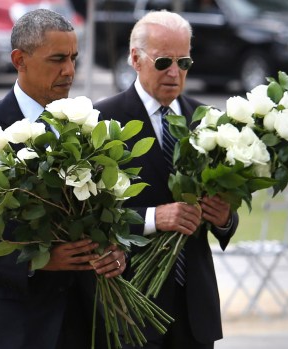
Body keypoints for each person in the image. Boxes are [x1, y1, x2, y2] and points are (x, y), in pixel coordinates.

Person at [0, 9, 126, 349]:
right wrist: (38, 262)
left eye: (73, 58)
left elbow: (104, 212)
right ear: (19, 60)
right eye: (57, 59)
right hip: (21, 322)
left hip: (94, 316)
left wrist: (114, 249)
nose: (69, 71)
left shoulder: (88, 126)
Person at [94, 10, 239, 349]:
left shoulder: (209, 122)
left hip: (195, 309)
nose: (175, 73)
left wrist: (224, 218)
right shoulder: (102, 120)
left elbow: (227, 215)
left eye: (184, 62)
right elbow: (90, 215)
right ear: (135, 59)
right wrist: (152, 218)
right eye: (163, 62)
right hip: (132, 306)